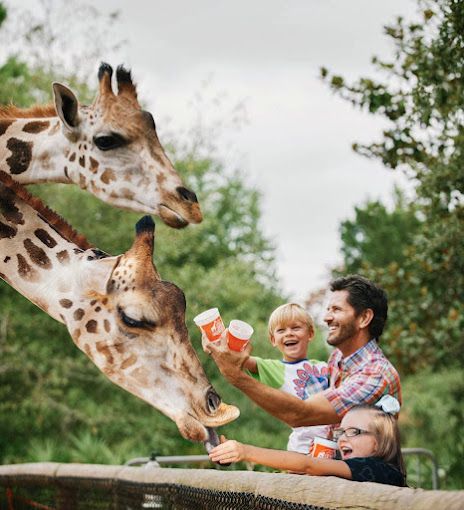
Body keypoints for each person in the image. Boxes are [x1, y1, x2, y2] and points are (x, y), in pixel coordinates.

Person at [203, 275, 401, 430]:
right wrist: (228, 351)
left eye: (336, 309)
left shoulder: (375, 374)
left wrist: (235, 376)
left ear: (364, 318)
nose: (326, 317)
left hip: (366, 482)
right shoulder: (338, 358)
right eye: (328, 309)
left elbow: (302, 415)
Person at [209, 396, 406, 487]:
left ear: (380, 443)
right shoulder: (351, 470)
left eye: (353, 432)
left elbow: (308, 464)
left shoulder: (379, 470)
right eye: (341, 432)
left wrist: (245, 451)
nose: (343, 438)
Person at [243, 303, 329, 453]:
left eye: (295, 328)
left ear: (310, 334)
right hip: (302, 449)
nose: (289, 333)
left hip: (333, 447)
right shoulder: (275, 368)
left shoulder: (324, 367)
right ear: (273, 340)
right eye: (281, 330)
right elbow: (242, 360)